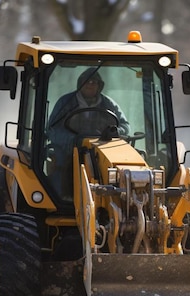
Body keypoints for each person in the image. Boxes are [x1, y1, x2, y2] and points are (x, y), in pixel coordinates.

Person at [46, 68, 130, 200]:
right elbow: (53, 129)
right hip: (70, 150)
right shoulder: (66, 103)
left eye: (94, 82)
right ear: (80, 84)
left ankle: (117, 198)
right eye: (87, 81)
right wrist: (73, 140)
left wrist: (115, 132)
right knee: (61, 165)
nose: (90, 84)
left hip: (101, 149)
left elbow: (124, 126)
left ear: (99, 86)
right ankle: (62, 198)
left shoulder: (108, 104)